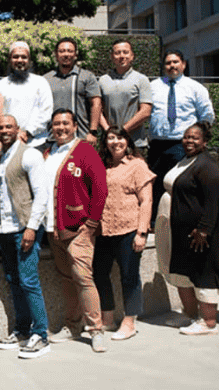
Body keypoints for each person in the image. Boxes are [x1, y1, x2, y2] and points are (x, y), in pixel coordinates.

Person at [42, 109, 108, 353]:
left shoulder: (85, 151)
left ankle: (96, 329)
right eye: (56, 123)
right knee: (67, 278)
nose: (60, 127)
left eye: (65, 123)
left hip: (78, 227)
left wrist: (92, 222)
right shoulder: (48, 153)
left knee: (82, 277)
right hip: (54, 228)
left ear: (74, 126)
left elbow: (100, 187)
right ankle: (72, 325)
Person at [0, 115, 52, 359]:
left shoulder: (30, 154)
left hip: (24, 227)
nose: (4, 130)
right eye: (0, 127)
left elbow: (42, 194)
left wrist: (31, 227)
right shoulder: (0, 159)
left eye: (9, 126)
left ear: (18, 129)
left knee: (28, 280)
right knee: (14, 280)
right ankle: (22, 330)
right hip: (5, 229)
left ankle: (41, 335)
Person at [163, 122, 219, 335]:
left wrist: (204, 230)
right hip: (183, 232)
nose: (189, 141)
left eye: (195, 138)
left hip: (200, 234)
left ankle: (208, 322)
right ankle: (190, 316)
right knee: (184, 273)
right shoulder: (186, 161)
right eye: (186, 137)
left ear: (205, 142)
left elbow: (214, 200)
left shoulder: (207, 165)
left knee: (204, 273)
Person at [92, 126, 154, 341]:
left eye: (120, 137)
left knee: (129, 276)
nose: (115, 142)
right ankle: (107, 319)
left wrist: (142, 232)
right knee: (100, 274)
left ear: (127, 141)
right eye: (110, 137)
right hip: (103, 230)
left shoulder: (137, 165)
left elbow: (146, 200)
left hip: (128, 229)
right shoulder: (101, 165)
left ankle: (129, 322)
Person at [148, 50, 214, 223]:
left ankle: (182, 217)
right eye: (168, 63)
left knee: (182, 182)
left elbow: (207, 115)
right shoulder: (153, 86)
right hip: (158, 144)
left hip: (182, 144)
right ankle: (156, 223)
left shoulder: (195, 88)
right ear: (163, 66)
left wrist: (198, 139)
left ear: (183, 64)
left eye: (175, 62)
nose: (172, 66)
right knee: (156, 183)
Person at [98, 40, 152, 153]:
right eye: (117, 53)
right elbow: (97, 109)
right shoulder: (102, 80)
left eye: (125, 52)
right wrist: (108, 131)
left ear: (132, 56)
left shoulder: (142, 79)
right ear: (112, 57)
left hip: (135, 143)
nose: (122, 56)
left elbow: (146, 111)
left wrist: (123, 131)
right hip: (110, 143)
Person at [44, 37, 102, 144]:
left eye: (70, 51)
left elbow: (96, 104)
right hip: (52, 140)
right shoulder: (46, 79)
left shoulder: (87, 76)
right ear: (56, 55)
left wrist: (93, 131)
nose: (66, 54)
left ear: (75, 55)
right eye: (62, 51)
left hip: (81, 138)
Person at [0, 41, 52, 148]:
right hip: (9, 142)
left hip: (37, 142)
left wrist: (27, 133)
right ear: (9, 60)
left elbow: (46, 112)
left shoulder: (41, 82)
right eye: (15, 57)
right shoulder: (1, 84)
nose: (20, 60)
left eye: (24, 57)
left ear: (29, 60)